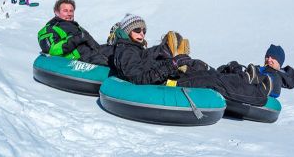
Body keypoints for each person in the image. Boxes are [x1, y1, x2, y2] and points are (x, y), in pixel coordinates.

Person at [111, 14, 275, 107]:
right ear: (127, 32)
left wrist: (174, 64)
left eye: (144, 30)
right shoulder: (126, 51)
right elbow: (138, 79)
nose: (142, 34)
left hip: (167, 79)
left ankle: (245, 81)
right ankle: (259, 96)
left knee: (203, 71)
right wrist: (171, 65)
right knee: (212, 82)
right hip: (165, 86)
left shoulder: (135, 49)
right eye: (137, 30)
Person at [37, 0, 108, 65]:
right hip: (79, 60)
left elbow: (95, 46)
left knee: (115, 49)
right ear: (56, 12)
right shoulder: (49, 29)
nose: (69, 14)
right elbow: (53, 50)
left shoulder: (78, 27)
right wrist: (77, 38)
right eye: (65, 11)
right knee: (107, 63)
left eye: (71, 11)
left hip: (92, 54)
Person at [216, 44, 294, 99]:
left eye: (273, 58)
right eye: (267, 57)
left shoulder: (277, 76)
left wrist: (249, 76)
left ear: (279, 62)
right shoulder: (259, 69)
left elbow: (274, 88)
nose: (269, 60)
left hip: (250, 93)